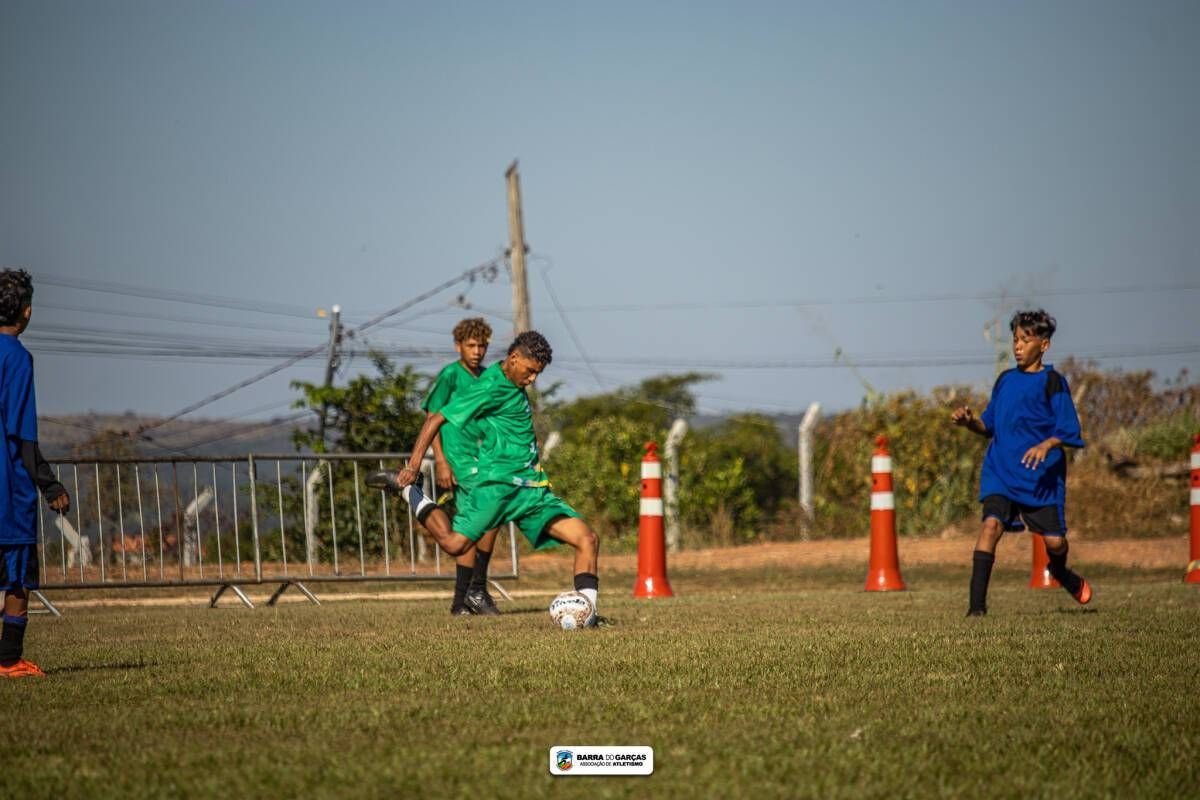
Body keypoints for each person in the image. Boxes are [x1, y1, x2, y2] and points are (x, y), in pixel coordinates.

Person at [379, 331, 605, 625]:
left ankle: (589, 616)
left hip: (532, 491)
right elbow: (435, 418)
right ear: (514, 359)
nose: (533, 379)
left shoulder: (512, 379)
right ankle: (410, 493)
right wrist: (412, 466)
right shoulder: (488, 387)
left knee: (587, 539)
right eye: (531, 371)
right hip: (496, 487)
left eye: (538, 373)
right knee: (454, 545)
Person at [952, 309, 1091, 617]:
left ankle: (1061, 572)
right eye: (1015, 339)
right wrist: (970, 422)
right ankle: (976, 611)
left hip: (1039, 478)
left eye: (1025, 340)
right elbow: (988, 426)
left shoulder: (1053, 382)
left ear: (1043, 345)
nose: (1017, 346)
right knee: (990, 526)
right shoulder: (1005, 380)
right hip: (1001, 471)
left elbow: (1068, 430)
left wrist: (1046, 444)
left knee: (1055, 543)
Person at [0, 269, 71, 678]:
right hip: (8, 492)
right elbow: (22, 435)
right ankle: (9, 660)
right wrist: (49, 484)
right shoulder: (18, 359)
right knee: (16, 580)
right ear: (26, 313)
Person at [423, 317, 502, 616]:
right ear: (458, 346)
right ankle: (475, 591)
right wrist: (441, 460)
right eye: (471, 345)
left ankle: (463, 601)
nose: (477, 351)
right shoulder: (450, 376)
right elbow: (432, 419)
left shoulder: (487, 377)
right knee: (487, 519)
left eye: (482, 345)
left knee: (476, 525)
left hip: (482, 460)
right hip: (459, 460)